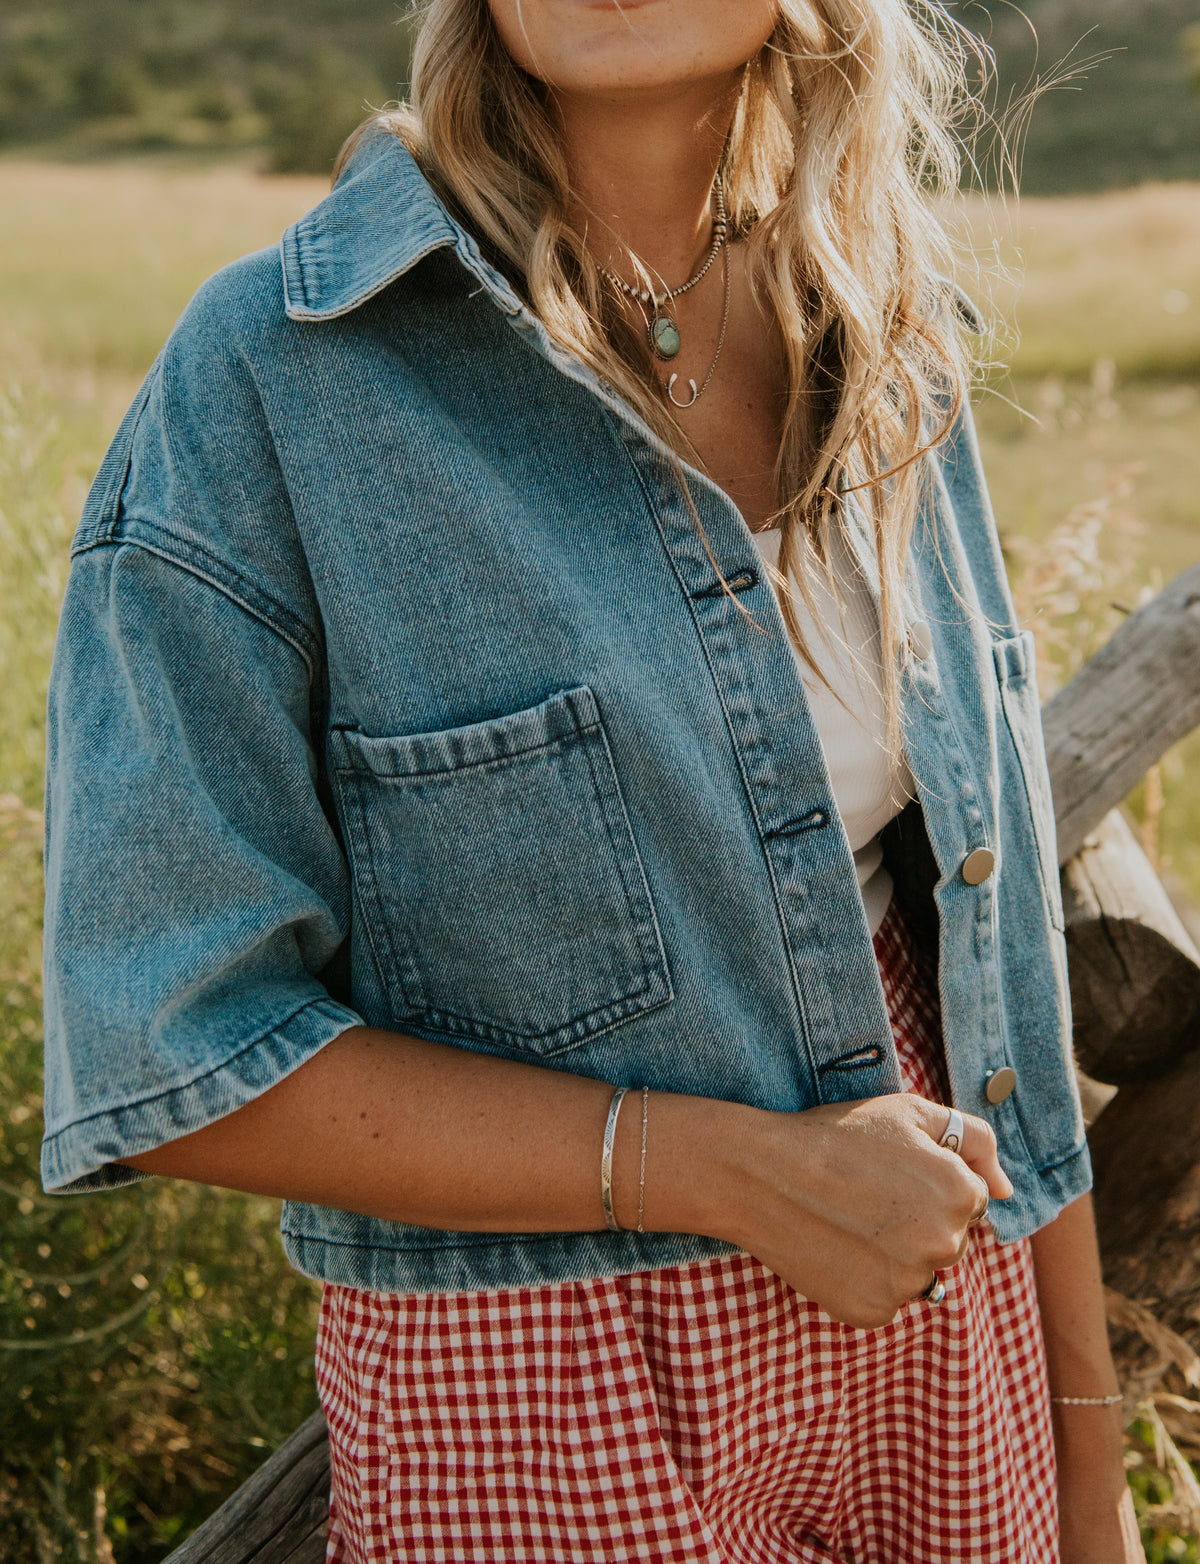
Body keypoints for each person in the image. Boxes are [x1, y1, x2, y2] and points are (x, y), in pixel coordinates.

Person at [41, 1, 1145, 1559]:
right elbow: (169, 1053)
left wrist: (1086, 1477)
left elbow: (995, 964)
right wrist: (735, 1173)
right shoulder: (278, 382)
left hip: (947, 1327)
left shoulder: (892, 330)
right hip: (538, 1390)